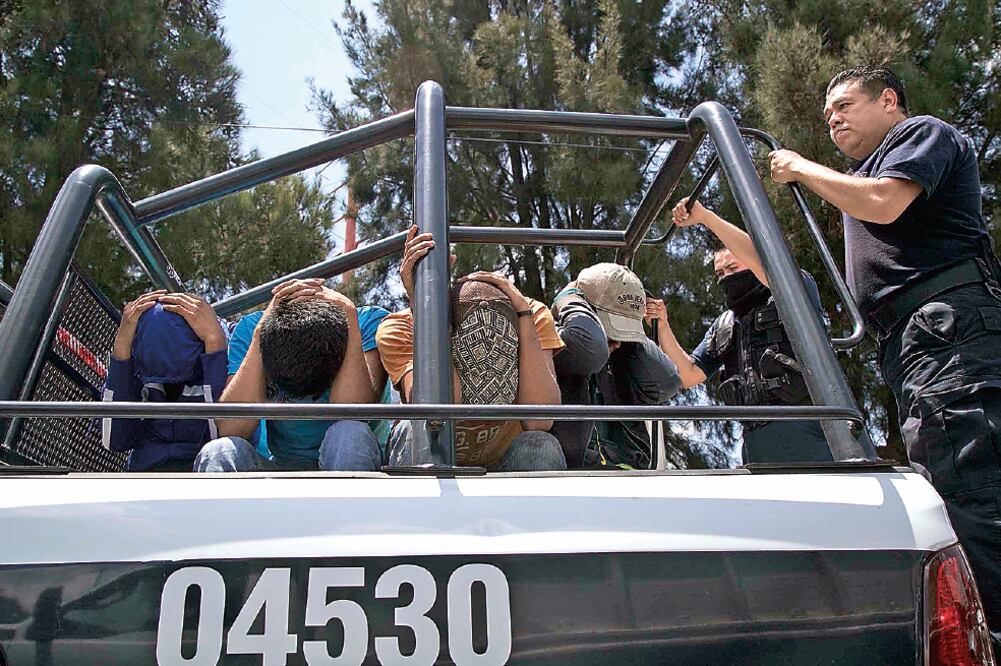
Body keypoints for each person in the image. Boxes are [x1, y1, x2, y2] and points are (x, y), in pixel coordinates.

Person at [768, 65, 1001, 641]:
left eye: (844, 105)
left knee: (976, 487)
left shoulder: (922, 134)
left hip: (948, 327)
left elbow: (883, 203)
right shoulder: (860, 175)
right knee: (951, 487)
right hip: (913, 341)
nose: (834, 120)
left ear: (889, 101)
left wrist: (799, 166)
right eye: (828, 116)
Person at [649, 200, 833, 464]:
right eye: (720, 273)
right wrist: (663, 325)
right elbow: (688, 375)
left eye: (733, 268)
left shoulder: (793, 291)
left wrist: (705, 217)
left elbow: (767, 264)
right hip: (756, 440)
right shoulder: (725, 325)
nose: (726, 277)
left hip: (812, 426)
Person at [376, 225, 567, 471]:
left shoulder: (529, 315)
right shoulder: (399, 327)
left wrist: (522, 313)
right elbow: (439, 409)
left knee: (541, 445)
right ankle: (415, 509)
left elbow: (538, 420)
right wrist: (427, 310)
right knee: (410, 430)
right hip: (434, 451)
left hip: (503, 459)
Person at [195, 278, 382, 472]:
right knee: (219, 451)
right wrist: (262, 332)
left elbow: (352, 412)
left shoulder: (363, 321)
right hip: (277, 466)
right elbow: (231, 427)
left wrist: (348, 316)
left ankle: (346, 503)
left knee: (349, 434)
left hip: (342, 458)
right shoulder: (252, 327)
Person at [549, 263, 682, 469]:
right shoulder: (558, 334)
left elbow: (669, 382)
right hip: (571, 469)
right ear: (585, 308)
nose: (618, 342)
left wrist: (634, 334)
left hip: (624, 468)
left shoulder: (627, 354)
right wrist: (569, 297)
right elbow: (590, 347)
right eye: (613, 324)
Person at [102, 291, 227, 471]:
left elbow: (224, 436)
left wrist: (214, 343)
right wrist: (122, 348)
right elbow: (114, 439)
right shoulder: (139, 371)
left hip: (203, 477)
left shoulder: (214, 360)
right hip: (147, 478)